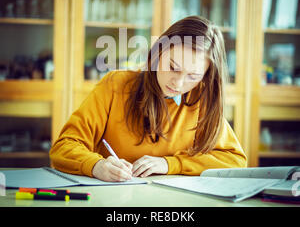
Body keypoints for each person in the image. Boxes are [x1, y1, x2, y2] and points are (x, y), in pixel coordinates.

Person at [50, 15, 247, 182]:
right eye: (173, 67)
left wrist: (170, 164)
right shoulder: (115, 85)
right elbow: (63, 147)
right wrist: (96, 165)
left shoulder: (201, 99)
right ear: (158, 52)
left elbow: (234, 160)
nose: (178, 84)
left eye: (193, 76)